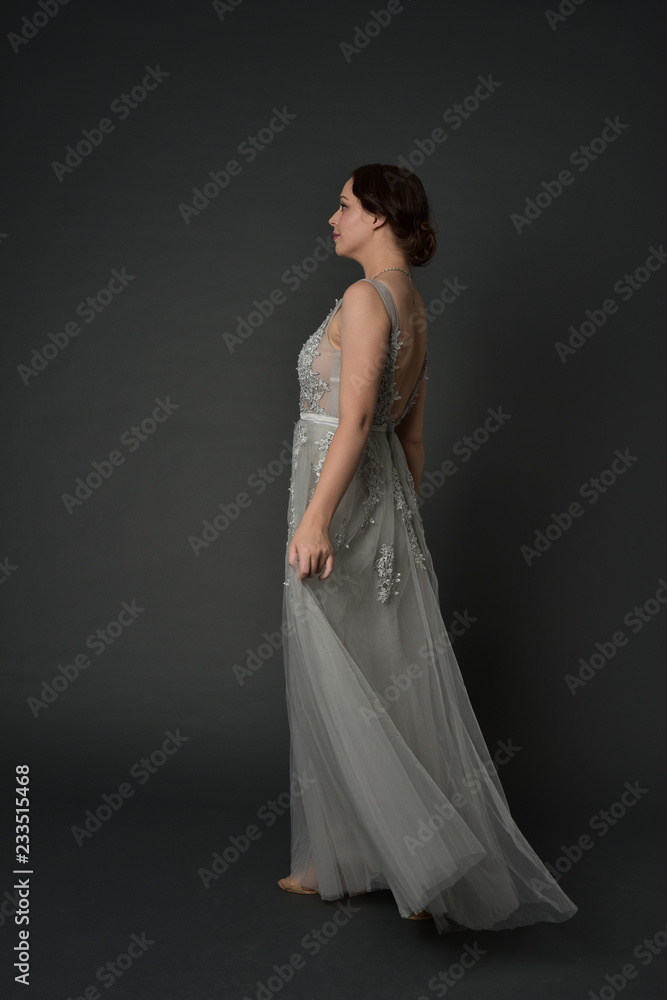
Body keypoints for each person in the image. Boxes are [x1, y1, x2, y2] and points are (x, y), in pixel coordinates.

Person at [278, 163, 577, 934]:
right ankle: (349, 860)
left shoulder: (362, 298)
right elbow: (407, 434)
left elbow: (351, 426)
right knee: (375, 669)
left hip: (337, 502)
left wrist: (316, 520)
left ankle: (423, 860)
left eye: (343, 204)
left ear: (378, 216)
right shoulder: (410, 302)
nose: (331, 216)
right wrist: (400, 519)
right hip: (378, 502)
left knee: (335, 664)